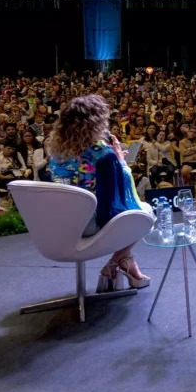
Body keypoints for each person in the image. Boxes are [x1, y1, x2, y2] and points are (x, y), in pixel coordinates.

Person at [46, 94, 150, 291]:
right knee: (147, 213)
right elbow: (115, 200)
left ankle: (123, 263)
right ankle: (117, 262)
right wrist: (120, 162)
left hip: (58, 224)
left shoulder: (56, 151)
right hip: (88, 225)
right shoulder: (102, 153)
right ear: (96, 123)